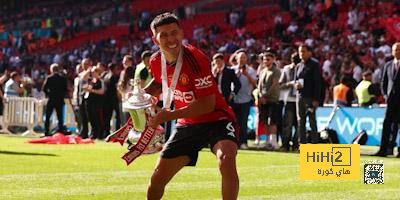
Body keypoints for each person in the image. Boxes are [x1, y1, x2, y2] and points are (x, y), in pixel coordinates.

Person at [144, 12, 239, 200]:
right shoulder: (155, 61)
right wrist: (140, 97)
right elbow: (158, 82)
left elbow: (206, 104)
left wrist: (167, 116)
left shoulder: (196, 58)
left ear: (182, 33)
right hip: (188, 123)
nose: (170, 39)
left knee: (226, 159)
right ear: (155, 40)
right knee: (157, 179)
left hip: (217, 119)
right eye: (164, 35)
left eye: (174, 33)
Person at [373, 42, 400, 157]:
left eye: (399, 49)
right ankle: (384, 149)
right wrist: (385, 95)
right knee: (387, 125)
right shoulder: (388, 65)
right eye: (396, 49)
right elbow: (383, 82)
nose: (397, 51)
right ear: (392, 52)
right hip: (390, 101)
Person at [295, 44, 323, 145]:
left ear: (309, 53)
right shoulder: (298, 66)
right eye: (300, 52)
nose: (301, 54)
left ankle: (314, 143)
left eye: (303, 51)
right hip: (300, 96)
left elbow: (318, 83)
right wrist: (296, 85)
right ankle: (301, 144)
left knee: (312, 121)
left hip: (310, 97)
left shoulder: (314, 65)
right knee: (300, 121)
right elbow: (295, 80)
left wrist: (316, 99)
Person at [231, 50, 257, 149]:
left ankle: (243, 142)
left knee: (243, 122)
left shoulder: (251, 70)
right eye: (240, 57)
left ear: (246, 59)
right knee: (234, 122)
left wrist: (247, 74)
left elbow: (255, 83)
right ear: (236, 59)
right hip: (234, 99)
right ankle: (234, 142)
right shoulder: (232, 70)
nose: (242, 59)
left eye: (244, 57)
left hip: (246, 99)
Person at [257, 50, 281, 149]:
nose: (266, 61)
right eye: (264, 59)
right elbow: (259, 85)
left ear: (273, 59)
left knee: (272, 121)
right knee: (265, 121)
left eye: (268, 59)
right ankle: (267, 141)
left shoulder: (276, 71)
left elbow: (274, 85)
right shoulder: (262, 71)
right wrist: (260, 95)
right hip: (263, 100)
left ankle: (273, 142)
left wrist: (265, 96)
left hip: (273, 99)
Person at [279, 52, 301, 151]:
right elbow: (280, 84)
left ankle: (296, 144)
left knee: (299, 125)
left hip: (300, 99)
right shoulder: (286, 69)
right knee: (287, 124)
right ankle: (285, 145)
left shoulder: (303, 69)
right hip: (289, 99)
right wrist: (290, 84)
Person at [41, 63, 68, 136]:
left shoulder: (49, 78)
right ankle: (61, 131)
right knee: (60, 117)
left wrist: (49, 94)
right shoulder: (62, 78)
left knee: (48, 116)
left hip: (52, 99)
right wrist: (61, 95)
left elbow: (44, 89)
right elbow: (65, 89)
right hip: (60, 100)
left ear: (51, 70)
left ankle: (46, 132)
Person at [103, 63, 121, 137]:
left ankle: (106, 132)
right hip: (114, 99)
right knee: (118, 116)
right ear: (114, 68)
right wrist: (119, 98)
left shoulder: (106, 76)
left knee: (107, 117)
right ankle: (117, 132)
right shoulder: (114, 77)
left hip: (107, 99)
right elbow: (117, 89)